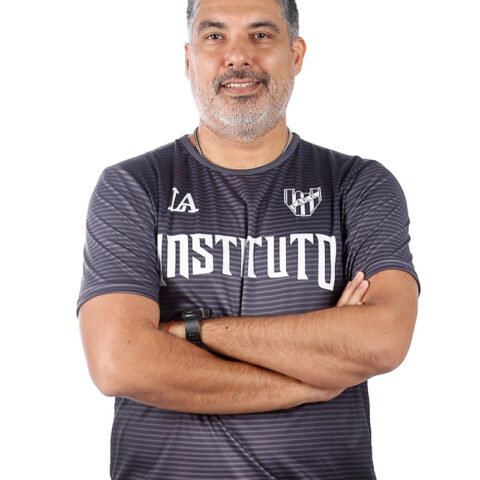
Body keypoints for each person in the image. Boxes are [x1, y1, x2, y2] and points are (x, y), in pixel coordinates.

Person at [77, 0, 420, 478]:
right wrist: (310, 381)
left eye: (261, 35)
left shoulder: (358, 185)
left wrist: (192, 331)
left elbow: (383, 339)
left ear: (295, 55)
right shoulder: (133, 186)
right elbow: (119, 360)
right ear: (188, 59)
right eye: (214, 36)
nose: (238, 56)